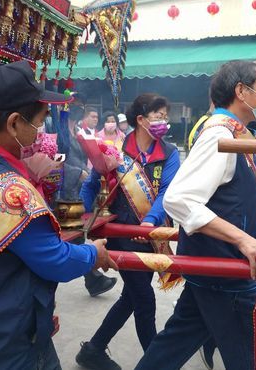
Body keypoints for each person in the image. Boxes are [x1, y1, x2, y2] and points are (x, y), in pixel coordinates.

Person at [0, 61, 117, 369]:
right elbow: (56, 261)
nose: (41, 133)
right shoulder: (10, 192)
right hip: (3, 347)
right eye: (40, 123)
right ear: (14, 123)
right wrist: (91, 254)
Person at [136, 60, 256, 370]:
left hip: (216, 272)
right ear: (242, 90)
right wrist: (243, 240)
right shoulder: (218, 136)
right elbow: (180, 199)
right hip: (226, 273)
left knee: (172, 346)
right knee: (248, 359)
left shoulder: (234, 133)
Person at [76, 93, 181, 370]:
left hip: (150, 236)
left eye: (165, 117)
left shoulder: (169, 154)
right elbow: (90, 187)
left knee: (131, 298)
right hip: (121, 236)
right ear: (141, 119)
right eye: (158, 116)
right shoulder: (114, 151)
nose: (163, 122)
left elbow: (168, 191)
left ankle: (93, 349)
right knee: (144, 301)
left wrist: (150, 222)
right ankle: (156, 362)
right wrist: (87, 219)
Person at [57, 94, 118, 297]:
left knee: (77, 234)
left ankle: (93, 278)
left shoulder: (77, 130)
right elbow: (56, 160)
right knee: (69, 236)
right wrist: (78, 172)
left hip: (77, 186)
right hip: (63, 187)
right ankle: (93, 277)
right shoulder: (57, 129)